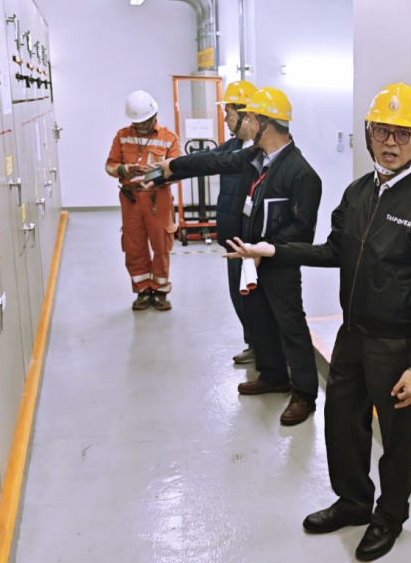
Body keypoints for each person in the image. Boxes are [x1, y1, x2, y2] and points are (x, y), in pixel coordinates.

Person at [224, 82, 411, 562]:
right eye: (382, 131)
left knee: (398, 440)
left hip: (395, 345)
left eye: (403, 134)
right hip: (352, 335)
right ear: (368, 134)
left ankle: (390, 516)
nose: (391, 143)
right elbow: (333, 250)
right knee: (342, 423)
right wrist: (274, 251)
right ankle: (353, 502)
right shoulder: (358, 193)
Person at [159, 87, 322, 426]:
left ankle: (305, 394)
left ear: (267, 124)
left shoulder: (302, 174)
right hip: (249, 257)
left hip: (277, 262)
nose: (245, 123)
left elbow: (302, 230)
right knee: (257, 316)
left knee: (290, 326)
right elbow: (213, 161)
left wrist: (267, 249)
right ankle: (273, 375)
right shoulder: (253, 159)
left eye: (250, 118)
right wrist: (173, 166)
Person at [159, 80, 259, 364]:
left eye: (228, 113)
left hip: (253, 241)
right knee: (239, 296)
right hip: (232, 238)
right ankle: (254, 344)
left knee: (257, 298)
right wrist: (163, 174)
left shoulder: (258, 154)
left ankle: (267, 351)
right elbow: (206, 160)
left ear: (246, 115)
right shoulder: (233, 146)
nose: (225, 119)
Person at [105, 90, 180, 311]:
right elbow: (109, 166)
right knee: (134, 246)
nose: (141, 126)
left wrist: (155, 175)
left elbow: (177, 171)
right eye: (137, 123)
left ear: (154, 115)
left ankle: (160, 290)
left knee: (161, 245)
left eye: (145, 122)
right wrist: (124, 169)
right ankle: (143, 290)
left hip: (158, 199)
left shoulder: (169, 138)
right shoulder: (122, 136)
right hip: (131, 199)